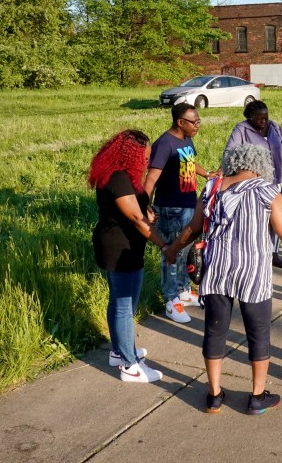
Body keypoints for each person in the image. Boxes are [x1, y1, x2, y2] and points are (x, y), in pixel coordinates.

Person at [165, 143, 282, 414]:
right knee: (258, 333)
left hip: (216, 268)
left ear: (232, 161)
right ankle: (257, 397)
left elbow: (194, 228)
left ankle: (214, 395)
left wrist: (172, 249)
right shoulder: (268, 191)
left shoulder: (211, 188)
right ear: (261, 164)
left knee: (215, 330)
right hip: (253, 271)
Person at [88, 130, 170, 383]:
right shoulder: (120, 178)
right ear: (131, 155)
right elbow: (135, 217)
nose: (146, 162)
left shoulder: (120, 175)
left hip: (120, 244)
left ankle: (118, 351)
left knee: (118, 302)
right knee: (125, 307)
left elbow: (136, 211)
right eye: (144, 157)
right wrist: (165, 245)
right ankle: (130, 365)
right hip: (120, 248)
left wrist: (147, 212)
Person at [144, 103, 217, 324]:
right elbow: (152, 177)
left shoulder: (186, 140)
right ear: (180, 122)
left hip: (188, 205)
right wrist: (145, 204)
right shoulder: (164, 143)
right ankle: (170, 299)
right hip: (170, 208)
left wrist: (207, 174)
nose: (198, 125)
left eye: (198, 121)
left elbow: (190, 162)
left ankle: (184, 291)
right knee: (172, 252)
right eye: (194, 121)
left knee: (185, 250)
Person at [224, 100, 282, 269]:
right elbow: (230, 153)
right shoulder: (241, 130)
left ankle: (274, 254)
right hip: (252, 185)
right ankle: (252, 256)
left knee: (276, 220)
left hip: (275, 182)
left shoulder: (274, 128)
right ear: (250, 117)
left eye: (266, 117)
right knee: (255, 220)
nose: (264, 121)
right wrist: (222, 174)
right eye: (260, 118)